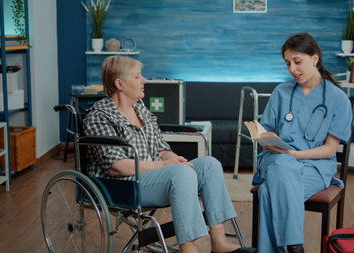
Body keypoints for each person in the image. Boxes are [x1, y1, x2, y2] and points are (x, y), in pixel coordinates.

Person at [83, 55, 256, 253]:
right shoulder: (99, 117)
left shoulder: (140, 109)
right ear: (120, 83)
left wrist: (171, 158)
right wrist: (167, 166)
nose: (144, 81)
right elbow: (118, 167)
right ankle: (188, 248)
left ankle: (218, 242)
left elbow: (160, 147)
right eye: (138, 76)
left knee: (210, 164)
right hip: (125, 185)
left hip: (155, 176)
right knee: (182, 174)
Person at [252, 33, 353, 253]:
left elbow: (330, 149)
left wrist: (293, 155)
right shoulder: (281, 92)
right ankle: (295, 246)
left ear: (314, 59)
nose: (292, 69)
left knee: (269, 192)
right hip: (275, 160)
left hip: (315, 167)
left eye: (297, 61)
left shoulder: (338, 99)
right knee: (282, 166)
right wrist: (266, 140)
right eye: (288, 63)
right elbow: (265, 131)